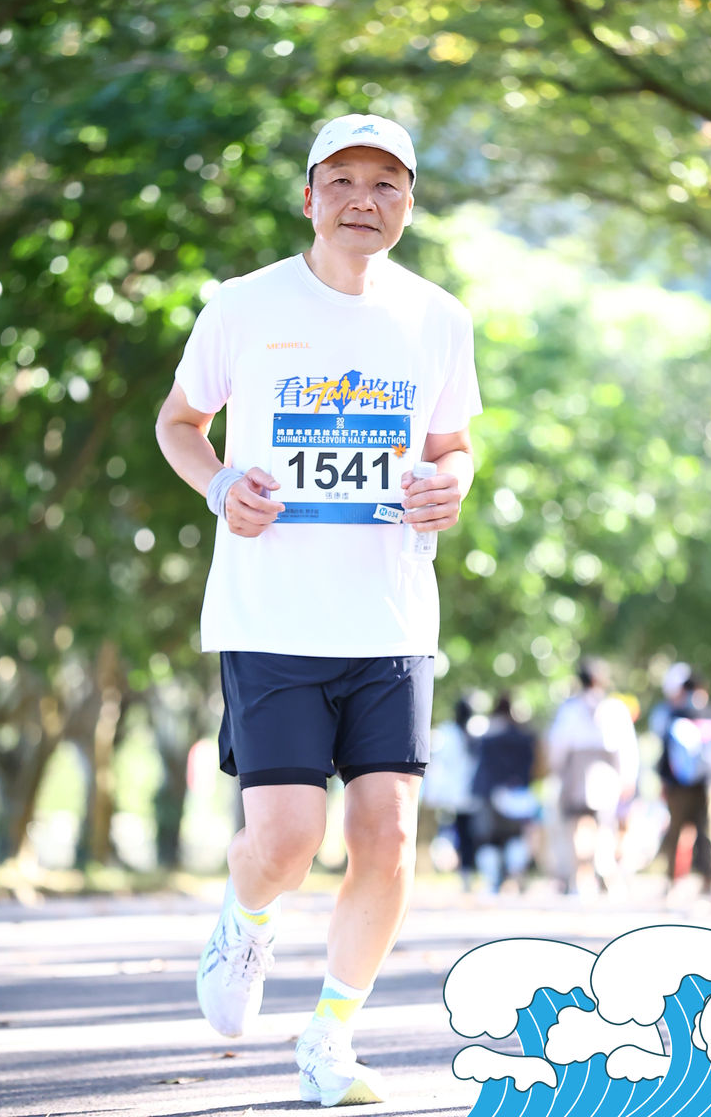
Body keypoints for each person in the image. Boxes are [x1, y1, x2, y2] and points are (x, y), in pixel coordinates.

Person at [155, 114, 481, 1107]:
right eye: (341, 180)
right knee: (287, 839)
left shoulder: (436, 317)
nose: (361, 200)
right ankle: (245, 919)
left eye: (385, 183)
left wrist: (452, 485)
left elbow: (451, 446)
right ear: (308, 198)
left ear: (409, 204)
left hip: (391, 620)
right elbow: (180, 424)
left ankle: (331, 1033)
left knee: (386, 837)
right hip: (271, 618)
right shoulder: (244, 305)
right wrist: (219, 486)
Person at [546, 659, 639, 895]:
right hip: (604, 773)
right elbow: (626, 747)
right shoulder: (614, 709)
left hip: (577, 773)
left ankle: (579, 876)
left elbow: (558, 746)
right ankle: (599, 872)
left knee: (575, 827)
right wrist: (627, 776)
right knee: (604, 825)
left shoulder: (570, 710)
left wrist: (558, 771)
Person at [656, 667, 711, 897]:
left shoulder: (676, 713)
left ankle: (671, 880)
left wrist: (664, 780)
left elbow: (666, 752)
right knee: (706, 833)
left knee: (675, 832)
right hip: (705, 784)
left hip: (678, 786)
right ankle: (708, 881)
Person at [470, 696, 539, 893]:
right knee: (515, 838)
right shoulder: (524, 737)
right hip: (518, 795)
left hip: (490, 795)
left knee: (489, 839)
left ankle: (492, 881)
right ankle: (516, 876)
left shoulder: (487, 737)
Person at [422, 697, 479, 888]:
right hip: (468, 795)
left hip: (452, 796)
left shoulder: (449, 733)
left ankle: (457, 869)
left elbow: (438, 764)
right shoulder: (473, 733)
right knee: (465, 834)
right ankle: (465, 871)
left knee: (450, 832)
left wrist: (432, 793)